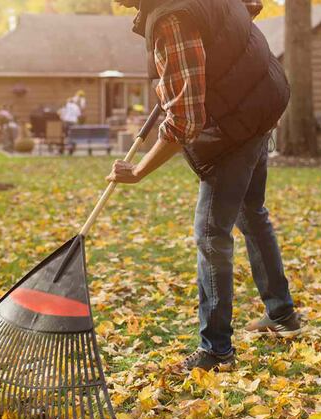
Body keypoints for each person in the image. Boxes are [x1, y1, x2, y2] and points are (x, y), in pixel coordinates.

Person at [108, 0, 300, 372]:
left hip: (239, 121)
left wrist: (139, 170)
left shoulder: (172, 21)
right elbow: (251, 6)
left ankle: (216, 350)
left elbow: (185, 122)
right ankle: (282, 314)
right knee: (250, 213)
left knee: (211, 233)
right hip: (264, 99)